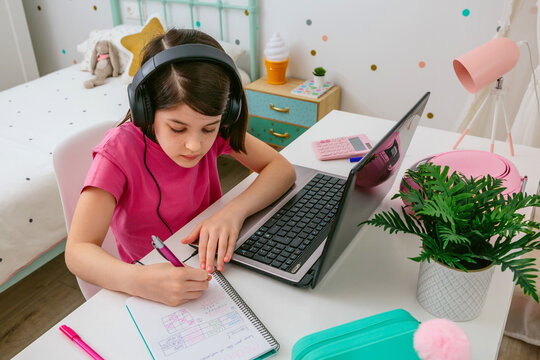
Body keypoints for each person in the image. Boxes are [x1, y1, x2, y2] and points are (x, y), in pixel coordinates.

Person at [65, 29, 296, 306]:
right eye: (177, 128)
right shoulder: (118, 151)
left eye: (208, 129)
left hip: (212, 265)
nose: (195, 145)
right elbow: (77, 251)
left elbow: (280, 168)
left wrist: (233, 211)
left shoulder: (217, 130)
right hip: (150, 285)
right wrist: (138, 280)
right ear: (146, 110)